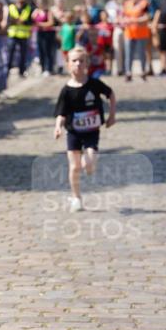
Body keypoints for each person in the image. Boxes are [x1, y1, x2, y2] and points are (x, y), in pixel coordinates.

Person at [53, 46, 116, 213]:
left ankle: (89, 164)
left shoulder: (94, 84)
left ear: (87, 63)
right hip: (73, 132)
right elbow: (61, 113)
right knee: (74, 167)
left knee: (88, 165)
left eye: (81, 61)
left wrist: (112, 116)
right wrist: (58, 127)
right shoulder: (66, 91)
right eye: (74, 61)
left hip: (91, 132)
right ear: (68, 64)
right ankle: (76, 198)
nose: (78, 64)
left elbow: (111, 94)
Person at [122, 0, 150, 81]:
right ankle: (128, 73)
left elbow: (147, 17)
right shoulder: (127, 4)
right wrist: (125, 20)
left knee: (142, 54)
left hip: (141, 34)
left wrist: (135, 20)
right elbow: (123, 16)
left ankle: (143, 72)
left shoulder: (144, 3)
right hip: (129, 33)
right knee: (128, 54)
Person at [6, 0, 34, 75]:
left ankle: (22, 71)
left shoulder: (28, 8)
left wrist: (23, 22)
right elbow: (9, 20)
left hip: (24, 34)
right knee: (10, 53)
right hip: (13, 34)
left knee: (23, 54)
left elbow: (30, 21)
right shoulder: (11, 7)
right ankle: (8, 69)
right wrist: (17, 21)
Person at [32, 0, 57, 76]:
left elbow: (51, 22)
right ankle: (43, 68)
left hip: (48, 34)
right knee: (41, 52)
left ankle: (49, 68)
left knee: (48, 51)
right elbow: (32, 20)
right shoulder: (36, 11)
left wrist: (40, 24)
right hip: (40, 34)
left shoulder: (49, 12)